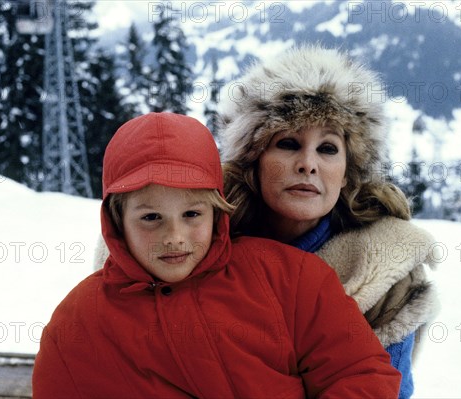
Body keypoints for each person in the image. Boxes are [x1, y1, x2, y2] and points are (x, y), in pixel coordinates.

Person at [33, 112, 401, 398]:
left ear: (216, 213)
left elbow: (361, 373)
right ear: (116, 220)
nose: (174, 237)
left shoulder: (290, 278)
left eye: (192, 215)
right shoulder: (77, 325)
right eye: (150, 218)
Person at [217, 45, 439, 399]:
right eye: (288, 143)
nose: (308, 164)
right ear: (253, 160)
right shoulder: (202, 246)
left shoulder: (385, 277)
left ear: (348, 173)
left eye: (328, 148)